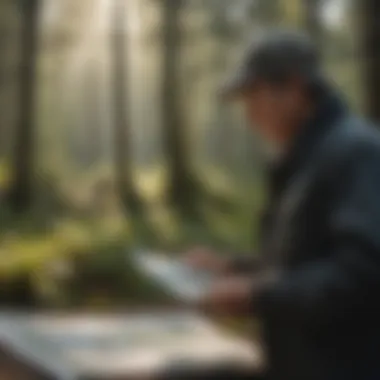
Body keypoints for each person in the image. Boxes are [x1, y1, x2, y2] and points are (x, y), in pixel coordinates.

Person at [159, 30, 380, 380]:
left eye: (253, 95)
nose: (248, 114)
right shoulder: (307, 160)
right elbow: (301, 261)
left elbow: (362, 274)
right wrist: (231, 267)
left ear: (293, 88)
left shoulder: (356, 152)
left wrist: (256, 296)